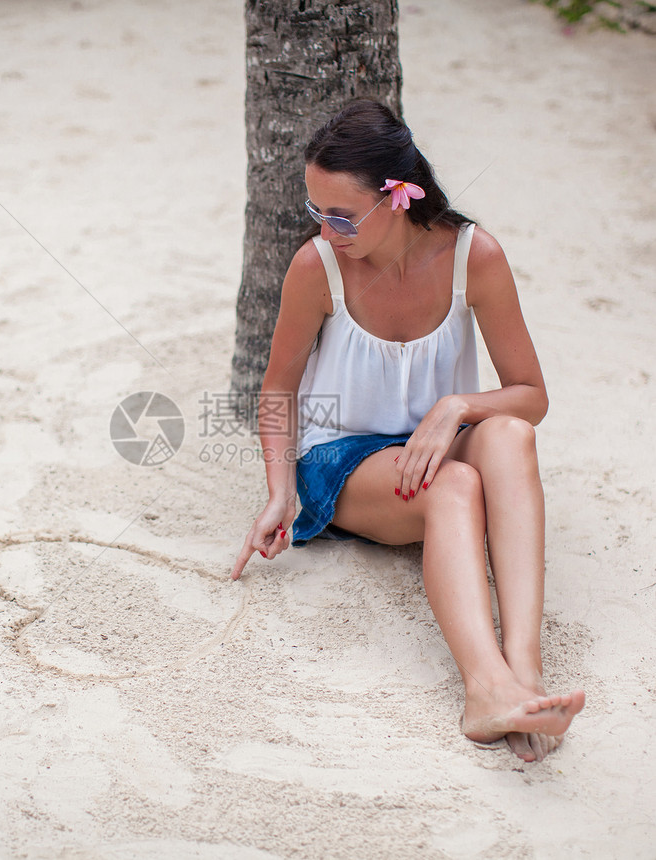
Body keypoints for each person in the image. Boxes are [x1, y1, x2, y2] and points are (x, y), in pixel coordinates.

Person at [230, 100, 584, 763]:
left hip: (437, 435)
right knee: (452, 485)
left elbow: (531, 396)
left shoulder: (473, 256)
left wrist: (455, 407)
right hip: (346, 457)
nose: (326, 229)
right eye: (316, 211)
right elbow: (277, 388)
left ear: (398, 196)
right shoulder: (319, 267)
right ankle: (485, 691)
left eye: (341, 215)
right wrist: (277, 493)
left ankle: (523, 673)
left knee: (510, 436)